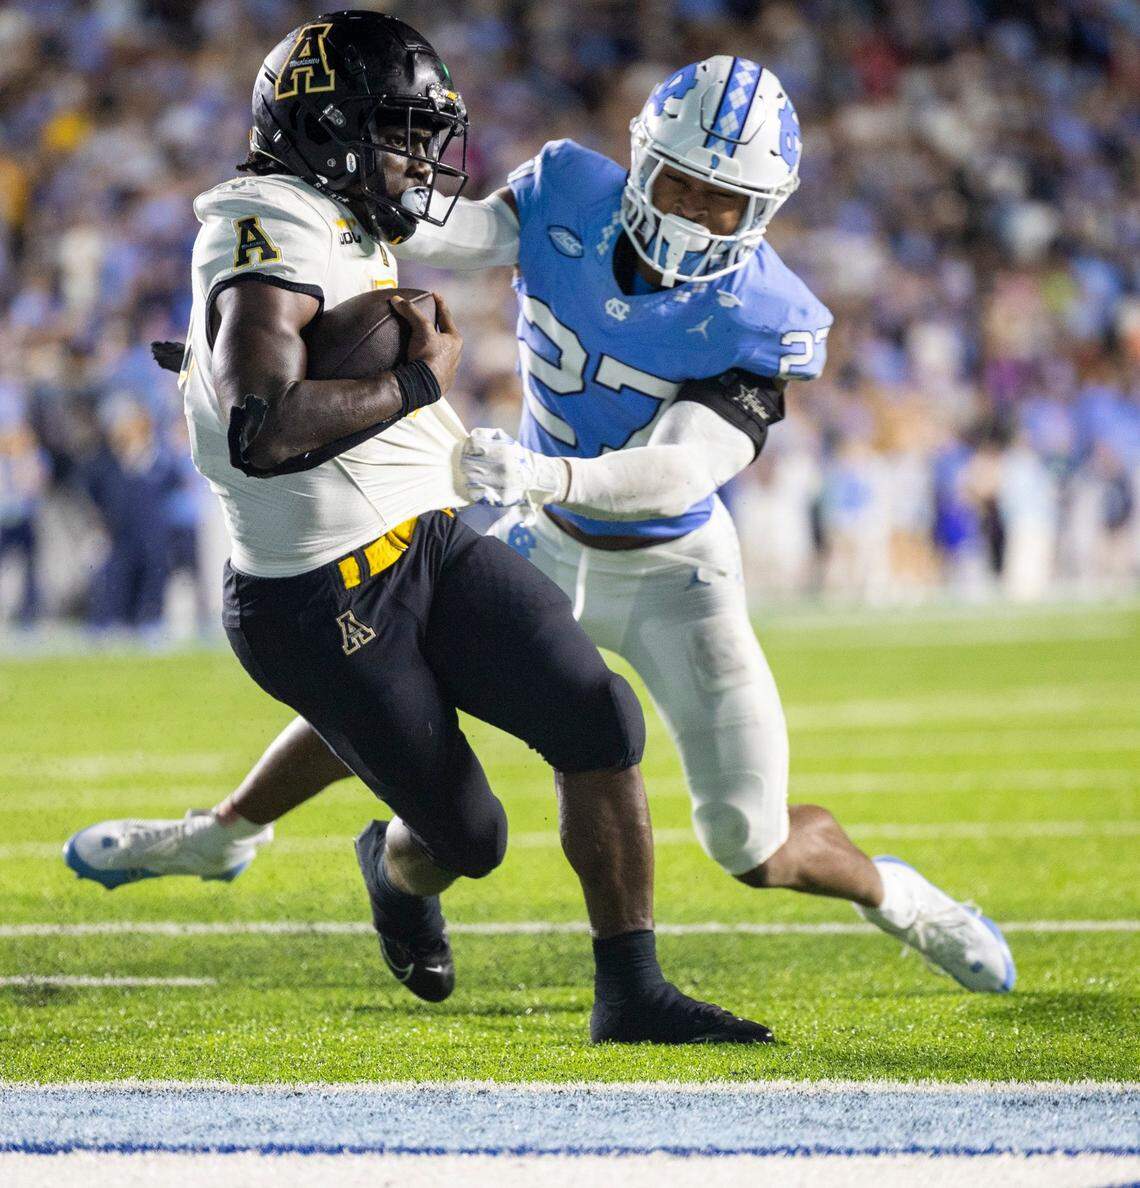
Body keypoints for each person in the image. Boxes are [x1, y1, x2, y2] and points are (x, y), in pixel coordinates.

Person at [69, 51, 1015, 997]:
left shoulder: (766, 313)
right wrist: (296, 254)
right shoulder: (572, 192)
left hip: (673, 573)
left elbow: (683, 469)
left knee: (750, 843)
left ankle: (896, 896)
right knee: (387, 690)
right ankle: (226, 834)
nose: (692, 216)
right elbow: (441, 226)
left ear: (763, 209)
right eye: (679, 184)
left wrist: (542, 473)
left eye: (722, 202)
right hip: (544, 541)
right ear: (641, 160)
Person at [64, 14, 774, 1046]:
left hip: (426, 540)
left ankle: (631, 993)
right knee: (469, 839)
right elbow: (265, 429)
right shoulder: (267, 226)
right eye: (399, 133)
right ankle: (390, 877)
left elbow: (270, 365)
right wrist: (413, 383)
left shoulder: (335, 217)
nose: (418, 159)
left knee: (599, 718)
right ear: (330, 127)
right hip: (317, 597)